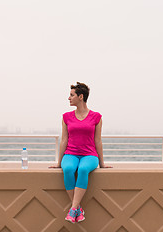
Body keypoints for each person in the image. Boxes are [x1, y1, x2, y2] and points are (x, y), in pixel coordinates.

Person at [49, 82, 112, 223]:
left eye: (72, 95)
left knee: (83, 170)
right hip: (71, 154)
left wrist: (102, 164)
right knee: (69, 169)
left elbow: (98, 141)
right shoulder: (66, 117)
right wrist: (59, 163)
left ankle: (73, 209)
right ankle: (77, 209)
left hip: (90, 155)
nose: (68, 98)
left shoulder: (96, 117)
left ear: (81, 96)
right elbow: (64, 140)